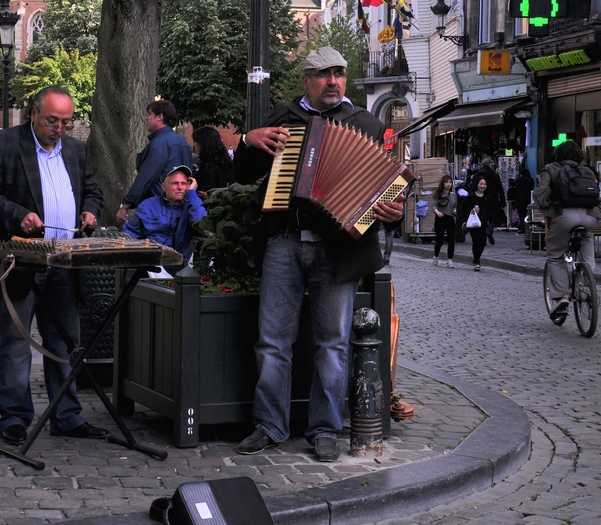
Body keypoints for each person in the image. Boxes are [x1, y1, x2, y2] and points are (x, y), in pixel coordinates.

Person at [232, 46, 404, 463]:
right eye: (324, 74)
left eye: (339, 74)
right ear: (306, 80)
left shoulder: (366, 124)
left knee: (333, 343)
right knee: (272, 341)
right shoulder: (284, 116)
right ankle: (269, 425)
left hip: (338, 248)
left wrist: (394, 209)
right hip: (284, 240)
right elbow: (241, 172)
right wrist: (246, 139)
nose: (333, 81)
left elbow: (394, 184)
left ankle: (325, 428)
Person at [0, 86, 107, 447]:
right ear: (34, 113)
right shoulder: (3, 144)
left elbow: (93, 191)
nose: (59, 128)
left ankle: (66, 415)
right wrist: (19, 216)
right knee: (16, 340)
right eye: (52, 120)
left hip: (65, 260)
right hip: (20, 261)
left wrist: (91, 210)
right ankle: (14, 417)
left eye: (66, 121)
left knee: (65, 341)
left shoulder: (76, 150)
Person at [534, 140, 601, 323]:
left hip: (564, 216)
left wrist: (546, 218)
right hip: (589, 216)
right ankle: (587, 276)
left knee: (555, 255)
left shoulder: (551, 169)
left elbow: (542, 195)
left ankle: (563, 297)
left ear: (558, 154)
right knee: (586, 237)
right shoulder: (586, 170)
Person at [116, 100, 193, 224]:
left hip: (158, 210)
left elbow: (146, 177)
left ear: (160, 117)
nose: (146, 118)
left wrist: (126, 205)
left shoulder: (158, 144)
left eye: (149, 114)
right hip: (180, 208)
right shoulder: (184, 144)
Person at [123, 165, 207, 265]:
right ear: (163, 187)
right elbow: (129, 233)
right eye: (175, 183)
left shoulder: (192, 204)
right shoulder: (148, 206)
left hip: (182, 263)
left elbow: (202, 225)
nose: (180, 187)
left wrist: (192, 194)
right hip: (151, 261)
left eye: (184, 183)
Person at [191, 126, 235, 196]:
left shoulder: (207, 168)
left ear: (202, 144)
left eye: (195, 141)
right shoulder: (227, 163)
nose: (194, 144)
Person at [463, 177, 495, 271]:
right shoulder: (471, 196)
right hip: (474, 223)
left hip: (484, 223)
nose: (482, 186)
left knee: (482, 242)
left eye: (484, 184)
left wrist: (488, 217)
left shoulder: (488, 197)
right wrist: (472, 210)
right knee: (476, 241)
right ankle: (477, 261)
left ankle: (476, 258)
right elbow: (464, 208)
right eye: (481, 184)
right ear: (477, 184)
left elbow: (493, 211)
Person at [474, 157, 506, 244]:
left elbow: (473, 187)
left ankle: (483, 236)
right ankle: (490, 229)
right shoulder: (494, 175)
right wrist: (502, 202)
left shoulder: (478, 175)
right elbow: (500, 189)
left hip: (480, 198)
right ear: (490, 165)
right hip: (493, 199)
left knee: (481, 217)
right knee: (493, 217)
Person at [431, 174, 457, 268]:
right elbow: (433, 205)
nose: (448, 184)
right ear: (442, 183)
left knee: (451, 239)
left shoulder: (453, 194)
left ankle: (450, 260)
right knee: (439, 239)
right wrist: (437, 212)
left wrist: (455, 210)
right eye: (446, 182)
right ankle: (436, 256)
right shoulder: (438, 194)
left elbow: (455, 205)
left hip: (450, 218)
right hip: (440, 217)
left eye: (450, 182)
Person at [512, 168, 534, 235]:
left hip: (520, 200)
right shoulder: (531, 180)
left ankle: (522, 228)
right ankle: (528, 228)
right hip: (528, 199)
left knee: (521, 215)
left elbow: (513, 183)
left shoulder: (520, 180)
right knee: (528, 215)